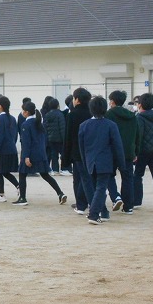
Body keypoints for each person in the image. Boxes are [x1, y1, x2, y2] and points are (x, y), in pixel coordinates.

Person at [79, 96, 125, 224]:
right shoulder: (111, 125)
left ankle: (104, 213)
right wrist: (121, 164)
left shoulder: (83, 125)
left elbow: (81, 147)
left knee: (96, 189)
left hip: (90, 162)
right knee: (100, 188)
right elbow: (118, 146)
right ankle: (93, 215)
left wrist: (85, 162)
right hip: (105, 162)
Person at [15, 101, 67, 206]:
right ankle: (60, 193)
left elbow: (26, 142)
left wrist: (26, 156)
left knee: (22, 174)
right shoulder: (39, 123)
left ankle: (22, 198)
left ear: (26, 112)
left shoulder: (25, 124)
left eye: (23, 111)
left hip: (31, 154)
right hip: (41, 153)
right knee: (45, 175)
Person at [105, 90, 139, 214]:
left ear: (112, 101)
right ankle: (128, 207)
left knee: (108, 175)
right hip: (128, 152)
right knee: (128, 178)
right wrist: (136, 152)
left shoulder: (108, 115)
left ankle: (115, 197)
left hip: (112, 151)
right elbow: (137, 136)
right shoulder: (132, 116)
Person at [63, 87, 93, 214]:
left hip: (77, 151)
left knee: (79, 179)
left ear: (77, 100)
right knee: (89, 177)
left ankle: (81, 204)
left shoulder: (72, 115)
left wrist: (65, 157)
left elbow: (68, 136)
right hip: (91, 150)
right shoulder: (92, 113)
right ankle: (88, 201)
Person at [0, 96, 19, 202]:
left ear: (1, 106)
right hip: (11, 148)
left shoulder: (0, 119)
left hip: (2, 150)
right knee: (5, 172)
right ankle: (19, 186)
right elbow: (15, 135)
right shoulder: (12, 118)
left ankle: (2, 195)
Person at [43, 98, 65, 175]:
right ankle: (64, 168)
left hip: (50, 138)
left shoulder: (47, 115)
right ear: (58, 105)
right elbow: (62, 127)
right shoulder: (60, 114)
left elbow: (45, 127)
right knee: (63, 154)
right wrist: (64, 138)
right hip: (59, 139)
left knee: (54, 154)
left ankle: (54, 169)